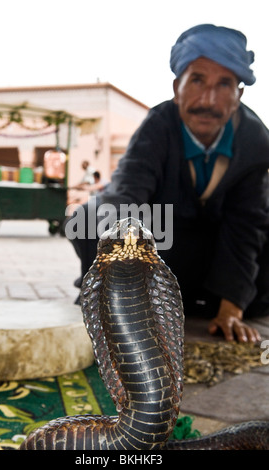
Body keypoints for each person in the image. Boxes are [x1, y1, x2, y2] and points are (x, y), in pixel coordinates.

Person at [69, 24, 269, 344]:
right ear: (178, 88)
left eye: (224, 84)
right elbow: (125, 197)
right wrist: (123, 292)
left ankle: (218, 301)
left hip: (219, 251)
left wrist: (231, 308)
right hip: (166, 245)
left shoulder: (255, 138)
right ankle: (118, 299)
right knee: (90, 217)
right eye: (198, 80)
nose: (208, 100)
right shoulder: (159, 124)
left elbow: (247, 223)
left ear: (238, 96)